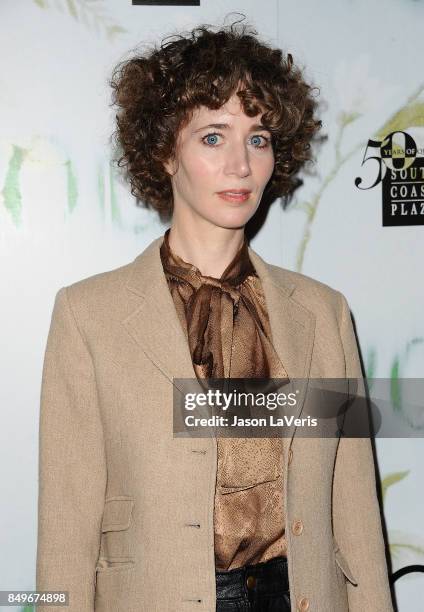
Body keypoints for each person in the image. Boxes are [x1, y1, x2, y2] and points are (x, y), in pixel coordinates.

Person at [36, 17, 394, 612]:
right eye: (212, 137)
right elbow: (66, 532)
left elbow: (354, 510)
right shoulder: (87, 316)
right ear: (163, 153)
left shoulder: (324, 314)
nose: (241, 164)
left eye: (257, 138)